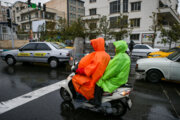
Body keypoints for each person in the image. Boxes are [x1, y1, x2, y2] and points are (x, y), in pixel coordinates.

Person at [94, 40, 130, 105]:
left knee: (98, 83)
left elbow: (112, 71)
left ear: (120, 48)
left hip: (117, 79)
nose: (115, 49)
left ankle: (96, 102)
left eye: (116, 47)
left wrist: (103, 77)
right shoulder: (125, 55)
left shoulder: (119, 57)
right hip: (122, 77)